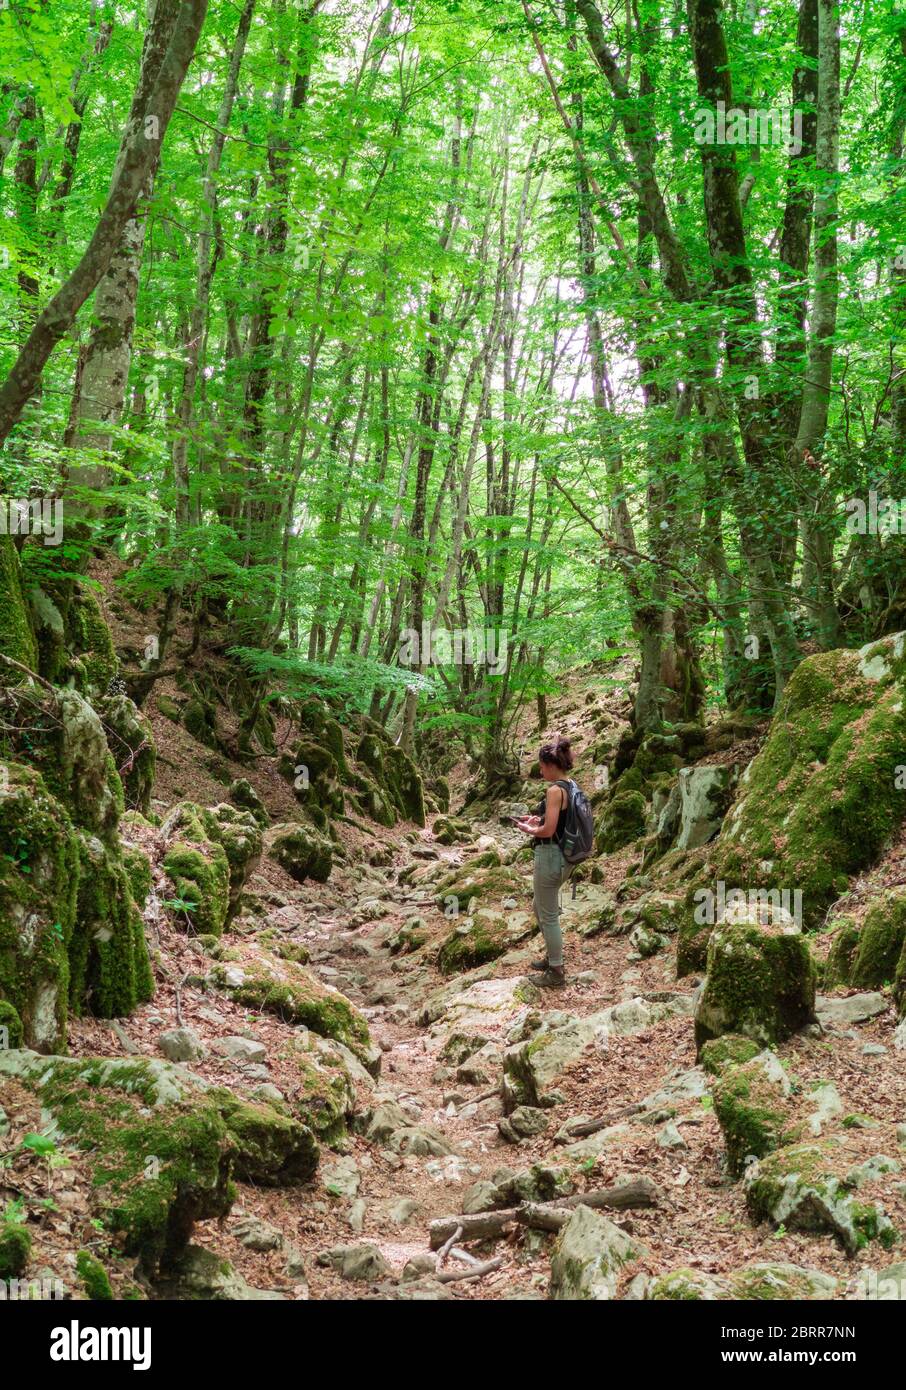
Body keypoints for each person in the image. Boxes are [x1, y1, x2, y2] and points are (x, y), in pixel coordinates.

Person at [514, 736, 577, 988]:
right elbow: (558, 822)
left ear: (551, 765)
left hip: (550, 856)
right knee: (539, 907)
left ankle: (556, 971)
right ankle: (553, 957)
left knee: (548, 915)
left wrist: (526, 829)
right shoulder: (571, 786)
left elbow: (549, 830)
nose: (540, 771)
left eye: (541, 766)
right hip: (566, 857)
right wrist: (536, 819)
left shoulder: (554, 790)